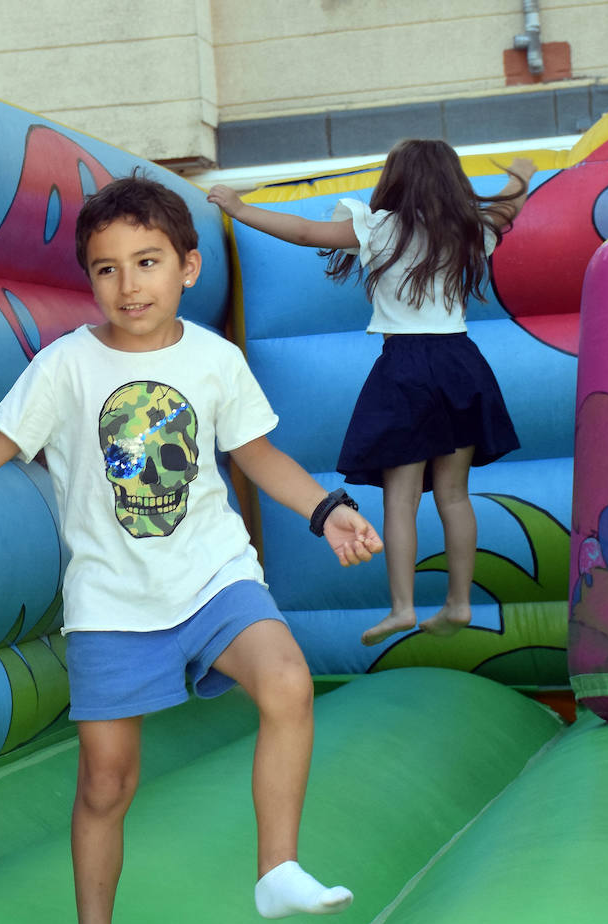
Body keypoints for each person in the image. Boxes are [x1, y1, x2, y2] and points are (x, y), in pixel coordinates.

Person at [0, 174, 383, 924]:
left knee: (285, 679)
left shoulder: (215, 360)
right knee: (107, 782)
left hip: (214, 575)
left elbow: (258, 457)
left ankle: (277, 865)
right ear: (90, 280)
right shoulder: (67, 365)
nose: (128, 284)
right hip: (111, 601)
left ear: (188, 267)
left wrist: (329, 510)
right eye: (106, 269)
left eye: (147, 262)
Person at [208, 139, 534, 647]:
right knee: (453, 494)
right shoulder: (471, 228)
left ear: (396, 178)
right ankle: (460, 602)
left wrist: (238, 207)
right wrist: (521, 173)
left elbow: (301, 231)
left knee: (401, 500)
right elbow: (509, 207)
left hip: (405, 367)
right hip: (461, 363)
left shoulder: (379, 227)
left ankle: (403, 607)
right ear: (451, 180)